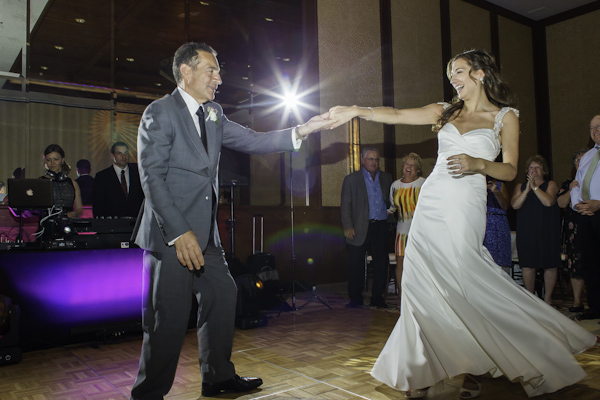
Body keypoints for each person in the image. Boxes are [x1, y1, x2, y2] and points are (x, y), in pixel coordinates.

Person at [327, 49, 595, 399]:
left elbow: (511, 169)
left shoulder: (505, 117)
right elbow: (396, 115)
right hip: (432, 203)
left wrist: (479, 164)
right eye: (450, 73)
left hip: (465, 204)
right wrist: (357, 110)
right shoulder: (445, 110)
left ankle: (476, 364)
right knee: (420, 285)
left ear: (481, 74)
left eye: (460, 71)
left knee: (466, 281)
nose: (453, 79)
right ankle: (419, 372)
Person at [129, 42, 332, 400]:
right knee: (168, 321)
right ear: (186, 72)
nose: (218, 78)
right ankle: (148, 394)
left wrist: (301, 131)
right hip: (171, 236)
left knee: (223, 295)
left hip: (206, 238)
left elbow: (254, 140)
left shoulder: (214, 114)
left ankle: (218, 376)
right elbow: (152, 180)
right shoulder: (159, 113)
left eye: (218, 70)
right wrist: (179, 233)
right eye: (211, 70)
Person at [341, 147, 393, 309]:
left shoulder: (386, 178)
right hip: (359, 227)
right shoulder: (351, 179)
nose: (374, 162)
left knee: (381, 264)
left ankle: (377, 298)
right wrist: (348, 226)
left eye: (376, 159)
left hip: (381, 226)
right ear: (363, 160)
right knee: (356, 264)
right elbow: (345, 205)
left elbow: (391, 201)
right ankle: (355, 299)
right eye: (371, 159)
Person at [511, 155, 561, 306]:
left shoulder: (550, 184)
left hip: (547, 230)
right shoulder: (520, 187)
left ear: (543, 170)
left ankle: (547, 299)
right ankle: (531, 298)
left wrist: (535, 187)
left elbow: (548, 201)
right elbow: (515, 205)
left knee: (550, 264)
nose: (533, 170)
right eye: (531, 167)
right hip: (527, 231)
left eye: (537, 167)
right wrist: (526, 190)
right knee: (528, 264)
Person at [572, 115, 600, 321]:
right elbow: (577, 184)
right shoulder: (588, 156)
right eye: (592, 128)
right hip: (586, 215)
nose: (595, 131)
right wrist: (578, 204)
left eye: (599, 127)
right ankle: (595, 307)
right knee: (590, 263)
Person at [388, 153, 425, 304]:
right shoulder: (395, 185)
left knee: (419, 263)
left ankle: (420, 294)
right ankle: (402, 295)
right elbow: (392, 208)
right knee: (400, 262)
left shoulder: (423, 183)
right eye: (406, 164)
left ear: (417, 170)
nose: (409, 167)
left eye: (412, 165)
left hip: (420, 230)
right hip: (401, 229)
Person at [557, 150, 587, 312]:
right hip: (573, 230)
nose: (580, 163)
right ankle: (577, 301)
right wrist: (571, 189)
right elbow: (561, 203)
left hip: (592, 227)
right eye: (577, 160)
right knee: (575, 265)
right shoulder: (568, 182)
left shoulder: (596, 180)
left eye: (584, 160)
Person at [39, 144, 83, 238]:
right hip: (48, 226)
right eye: (48, 160)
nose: (52, 163)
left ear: (62, 160)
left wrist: (74, 213)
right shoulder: (41, 182)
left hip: (68, 225)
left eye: (56, 159)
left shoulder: (72, 183)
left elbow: (79, 209)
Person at [93, 142, 144, 218]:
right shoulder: (102, 177)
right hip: (112, 225)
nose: (124, 156)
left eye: (126, 153)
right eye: (119, 153)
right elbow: (98, 206)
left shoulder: (138, 174)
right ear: (112, 156)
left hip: (135, 223)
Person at [483, 176, 512, 274]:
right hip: (482, 221)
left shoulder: (500, 185)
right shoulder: (476, 185)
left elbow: (505, 206)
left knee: (500, 257)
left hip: (499, 223)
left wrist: (496, 192)